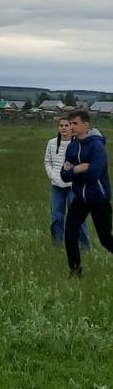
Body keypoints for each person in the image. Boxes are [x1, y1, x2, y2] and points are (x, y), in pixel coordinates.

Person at [61, 107, 113, 277]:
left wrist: (74, 171)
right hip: (80, 199)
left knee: (105, 239)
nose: (72, 127)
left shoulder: (97, 146)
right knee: (69, 234)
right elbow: (64, 175)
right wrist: (78, 169)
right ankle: (75, 272)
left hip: (99, 199)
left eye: (75, 123)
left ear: (85, 124)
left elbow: (94, 173)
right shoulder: (72, 147)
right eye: (70, 123)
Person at [44, 116, 88, 249]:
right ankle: (57, 246)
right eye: (61, 126)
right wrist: (52, 175)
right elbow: (47, 161)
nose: (64, 128)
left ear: (71, 128)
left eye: (66, 125)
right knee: (56, 217)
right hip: (56, 186)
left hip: (73, 186)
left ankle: (83, 247)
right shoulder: (51, 143)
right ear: (58, 128)